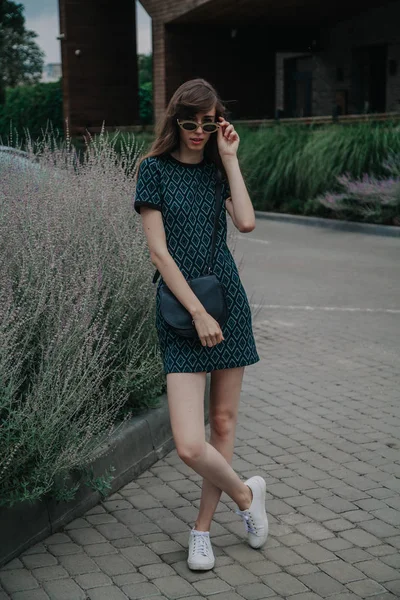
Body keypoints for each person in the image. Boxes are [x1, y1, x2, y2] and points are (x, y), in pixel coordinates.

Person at [134, 79, 268, 571]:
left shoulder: (216, 171)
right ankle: (246, 496)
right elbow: (159, 252)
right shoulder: (153, 171)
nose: (196, 131)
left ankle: (203, 531)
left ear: (218, 122)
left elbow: (248, 223)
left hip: (228, 303)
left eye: (206, 123)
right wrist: (196, 311)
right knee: (190, 442)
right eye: (188, 123)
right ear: (175, 122)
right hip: (182, 310)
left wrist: (230, 158)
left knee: (224, 423)